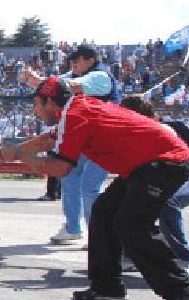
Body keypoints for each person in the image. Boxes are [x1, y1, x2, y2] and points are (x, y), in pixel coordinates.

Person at [0, 77, 189, 300]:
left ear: (50, 102)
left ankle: (183, 290)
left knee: (131, 225)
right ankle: (107, 288)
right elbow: (51, 139)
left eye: (36, 104)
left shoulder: (76, 114)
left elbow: (60, 168)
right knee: (104, 212)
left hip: (163, 163)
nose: (35, 110)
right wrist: (17, 149)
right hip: (144, 165)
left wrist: (20, 157)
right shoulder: (76, 110)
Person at [19, 44, 120, 245]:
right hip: (87, 138)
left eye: (76, 61)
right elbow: (56, 86)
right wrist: (35, 81)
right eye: (71, 62)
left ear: (90, 60)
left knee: (90, 186)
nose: (72, 65)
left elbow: (67, 86)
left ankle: (98, 235)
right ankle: (73, 227)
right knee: (70, 177)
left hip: (105, 138)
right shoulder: (80, 75)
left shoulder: (99, 76)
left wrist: (39, 81)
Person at [120, 95, 189, 277]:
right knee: (122, 202)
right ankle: (132, 254)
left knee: (168, 202)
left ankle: (186, 259)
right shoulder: (137, 132)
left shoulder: (166, 129)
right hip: (162, 180)